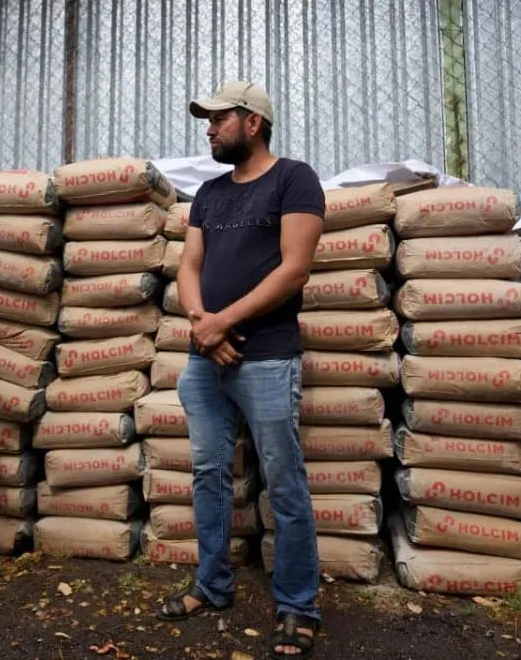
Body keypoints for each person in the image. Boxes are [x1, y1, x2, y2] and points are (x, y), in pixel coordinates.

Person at [155, 82, 326, 658]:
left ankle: (298, 605)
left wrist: (219, 324)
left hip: (269, 354)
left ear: (253, 122)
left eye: (218, 118)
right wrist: (204, 325)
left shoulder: (293, 179)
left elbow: (294, 271)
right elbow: (189, 266)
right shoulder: (208, 193)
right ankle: (212, 584)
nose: (208, 128)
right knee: (207, 472)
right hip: (207, 358)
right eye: (206, 120)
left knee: (284, 479)